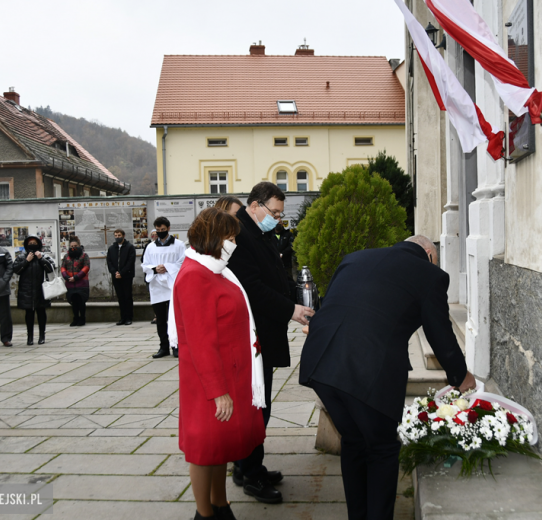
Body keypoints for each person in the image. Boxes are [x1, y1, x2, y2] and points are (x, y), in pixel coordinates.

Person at [299, 235, 476, 520]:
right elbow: (440, 334)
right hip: (368, 369)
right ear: (429, 253)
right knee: (382, 448)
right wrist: (460, 375)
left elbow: (330, 304)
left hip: (320, 362)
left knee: (354, 441)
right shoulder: (430, 274)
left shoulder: (355, 257)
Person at [173, 207, 266, 520]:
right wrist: (218, 391)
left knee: (219, 448)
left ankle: (220, 503)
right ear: (213, 238)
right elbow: (200, 342)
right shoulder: (195, 276)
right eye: (229, 237)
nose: (233, 243)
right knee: (204, 450)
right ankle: (204, 513)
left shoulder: (216, 268)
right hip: (209, 380)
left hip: (230, 373)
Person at [227, 181, 315, 503]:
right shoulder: (241, 236)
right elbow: (253, 289)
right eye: (274, 213)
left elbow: (277, 277)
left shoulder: (259, 233)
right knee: (256, 407)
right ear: (255, 205)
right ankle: (252, 475)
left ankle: (246, 465)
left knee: (259, 405)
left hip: (265, 333)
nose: (278, 219)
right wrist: (291, 310)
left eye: (280, 214)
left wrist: (301, 295)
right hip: (253, 337)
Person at [142, 217, 185, 358]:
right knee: (160, 320)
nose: (160, 232)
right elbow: (145, 264)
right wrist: (155, 269)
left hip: (173, 285)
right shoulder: (150, 247)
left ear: (169, 228)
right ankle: (163, 347)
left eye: (163, 230)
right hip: (157, 287)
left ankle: (176, 346)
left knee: (175, 318)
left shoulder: (179, 245)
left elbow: (183, 263)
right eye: (158, 230)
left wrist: (167, 267)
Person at [13, 236, 55, 345]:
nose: (32, 244)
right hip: (26, 289)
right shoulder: (22, 256)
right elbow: (16, 270)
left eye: (34, 243)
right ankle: (30, 337)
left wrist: (41, 259)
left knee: (41, 312)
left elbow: (50, 269)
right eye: (30, 243)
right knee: (29, 314)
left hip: (41, 289)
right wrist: (26, 261)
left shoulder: (43, 256)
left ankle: (42, 335)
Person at [106, 229, 136, 326]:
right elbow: (109, 261)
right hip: (116, 276)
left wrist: (122, 273)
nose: (117, 237)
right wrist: (114, 272)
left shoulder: (130, 247)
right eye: (116, 235)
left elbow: (130, 262)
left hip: (127, 275)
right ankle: (122, 317)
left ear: (123, 235)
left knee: (127, 296)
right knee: (120, 297)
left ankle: (129, 317)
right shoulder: (111, 248)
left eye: (119, 235)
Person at [61, 236, 90, 327]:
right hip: (70, 283)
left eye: (75, 246)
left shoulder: (84, 256)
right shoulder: (66, 256)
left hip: (81, 283)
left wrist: (76, 277)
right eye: (71, 246)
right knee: (73, 302)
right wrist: (66, 277)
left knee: (81, 301)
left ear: (79, 245)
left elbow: (86, 267)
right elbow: (63, 268)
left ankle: (82, 318)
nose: (73, 247)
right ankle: (75, 318)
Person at [142, 230, 158, 324]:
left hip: (163, 273)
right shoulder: (149, 246)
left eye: (156, 234)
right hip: (151, 274)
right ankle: (156, 315)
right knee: (153, 296)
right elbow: (144, 260)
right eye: (153, 235)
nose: (154, 236)